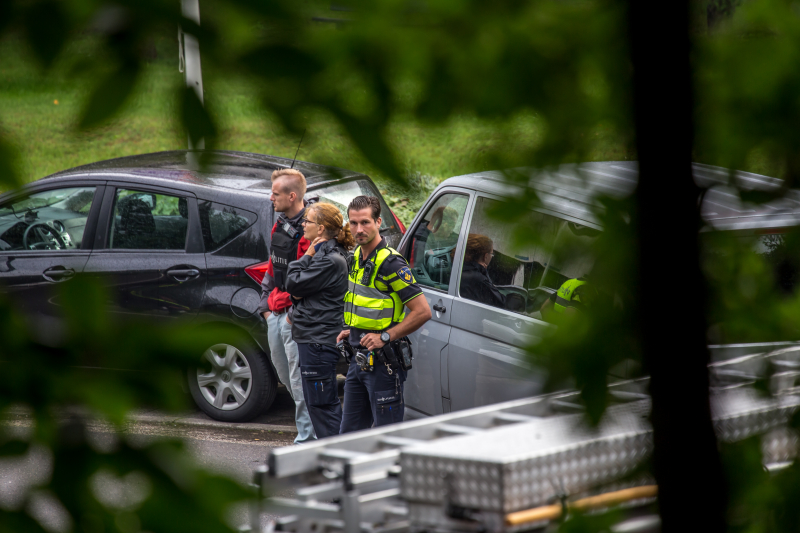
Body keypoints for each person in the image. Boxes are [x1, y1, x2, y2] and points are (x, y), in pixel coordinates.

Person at [336, 196, 432, 433]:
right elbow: (368, 304)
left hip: (384, 364)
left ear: (379, 222)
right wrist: (354, 329)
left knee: (385, 440)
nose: (359, 229)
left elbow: (422, 312)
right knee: (347, 438)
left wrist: (385, 337)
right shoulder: (356, 258)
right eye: (354, 223)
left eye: (366, 222)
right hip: (358, 359)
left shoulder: (391, 264)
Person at [285, 203, 354, 438]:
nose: (303, 224)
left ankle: (335, 458)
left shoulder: (329, 259)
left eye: (308, 221)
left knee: (322, 406)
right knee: (320, 405)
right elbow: (297, 291)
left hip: (317, 341)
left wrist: (307, 254)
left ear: (321, 228)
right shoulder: (330, 254)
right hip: (316, 339)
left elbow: (293, 283)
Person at [257, 168, 316, 444]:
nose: (271, 198)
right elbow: (272, 266)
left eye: (276, 193)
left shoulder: (312, 231)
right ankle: (313, 425)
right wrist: (266, 308)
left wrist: (292, 316)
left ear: (292, 196)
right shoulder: (280, 224)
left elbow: (310, 283)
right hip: (275, 313)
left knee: (298, 378)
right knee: (284, 375)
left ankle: (306, 437)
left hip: (294, 317)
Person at [459, 233, 507, 309]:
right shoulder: (479, 279)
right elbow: (501, 302)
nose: (492, 256)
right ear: (486, 256)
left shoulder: (462, 268)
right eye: (491, 253)